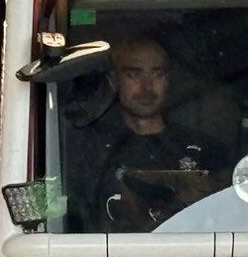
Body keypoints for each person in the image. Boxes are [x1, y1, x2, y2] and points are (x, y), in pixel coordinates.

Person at [75, 36, 229, 230]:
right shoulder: (92, 153)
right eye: (134, 74)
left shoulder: (204, 150)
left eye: (157, 74)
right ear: (114, 81)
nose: (147, 88)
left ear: (167, 81)